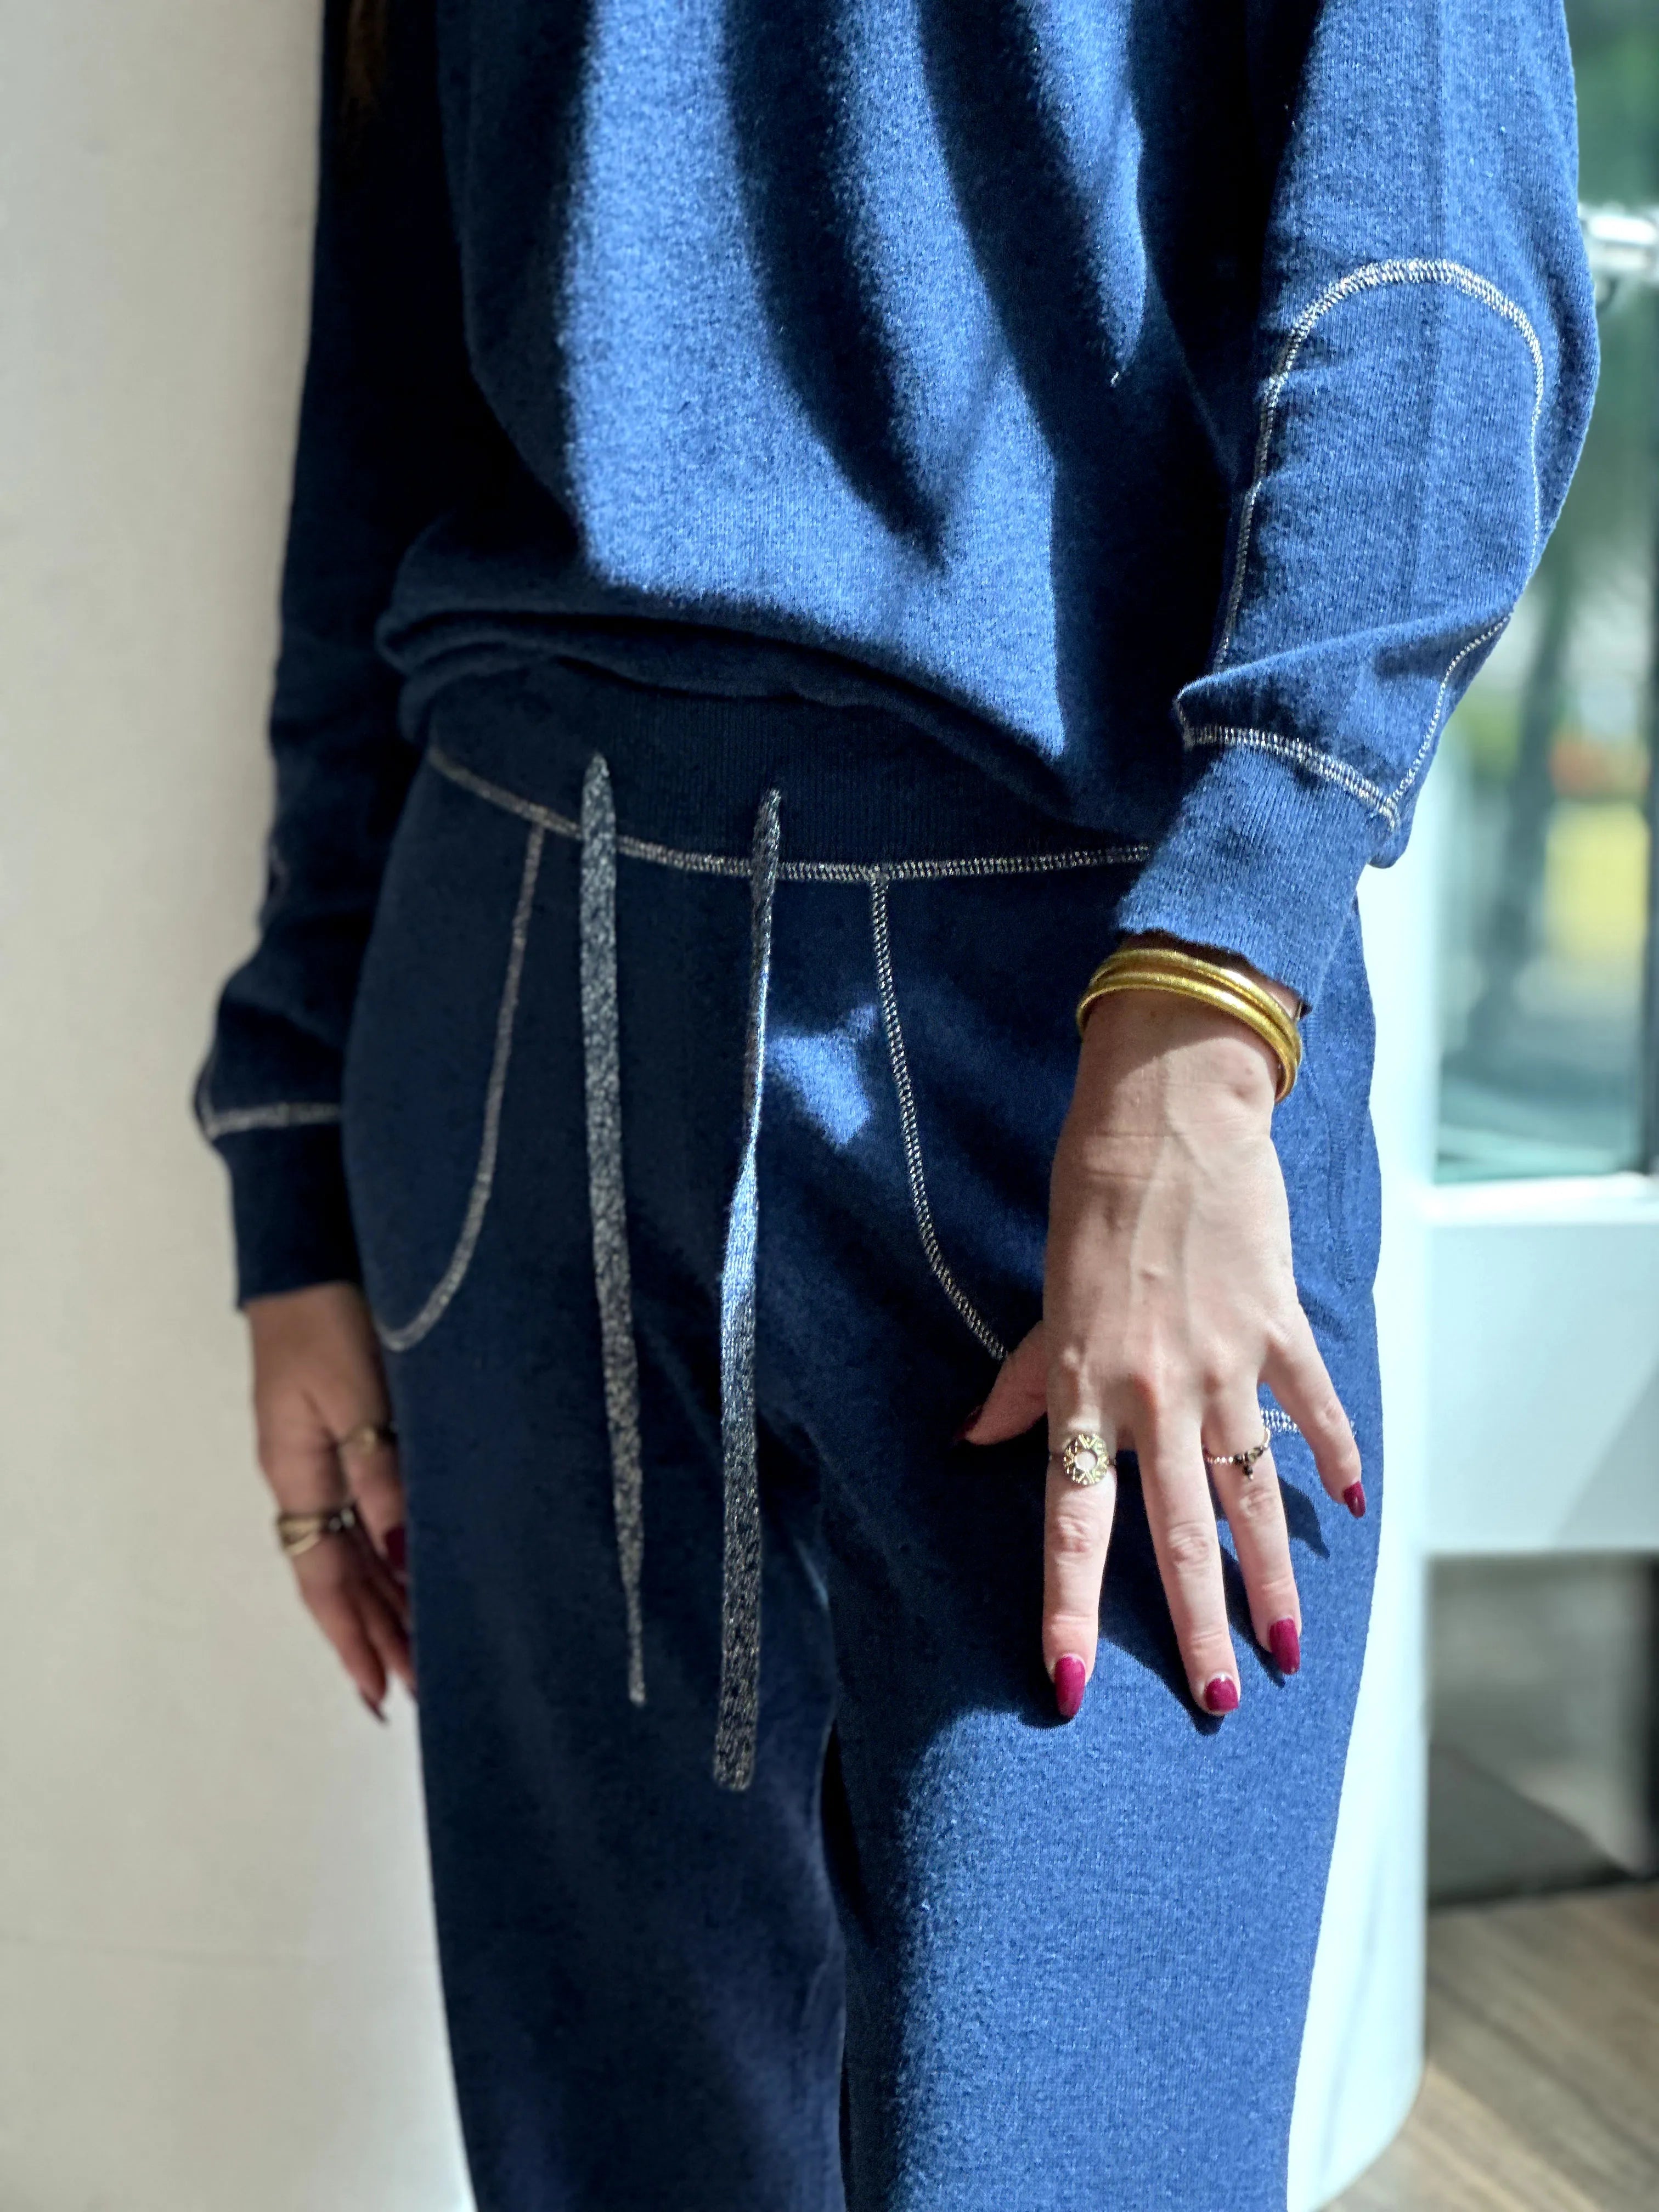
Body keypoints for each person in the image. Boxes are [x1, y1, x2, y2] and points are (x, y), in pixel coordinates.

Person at [195, 1, 1595, 2204]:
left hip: (1088, 1061)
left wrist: (1216, 992)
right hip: (514, 1027)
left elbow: (1435, 289)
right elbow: (379, 399)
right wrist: (292, 1158)